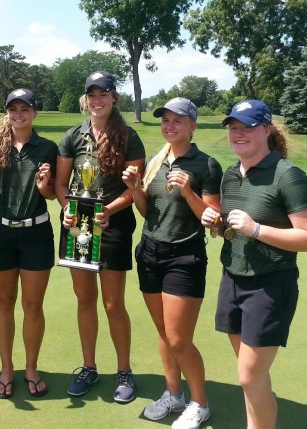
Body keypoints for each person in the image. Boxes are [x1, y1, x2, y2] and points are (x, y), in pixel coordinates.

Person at [200, 100, 307, 429]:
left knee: (249, 376)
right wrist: (214, 222)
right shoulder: (230, 175)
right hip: (232, 280)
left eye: (248, 127)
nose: (238, 134)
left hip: (270, 286)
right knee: (250, 378)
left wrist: (257, 229)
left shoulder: (288, 176)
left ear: (267, 130)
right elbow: (228, 230)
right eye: (233, 128)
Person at [122, 98, 222, 429]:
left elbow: (212, 220)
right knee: (164, 333)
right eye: (166, 120)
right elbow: (148, 212)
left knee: (179, 337)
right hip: (150, 252)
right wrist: (136, 189)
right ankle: (173, 393)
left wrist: (189, 191)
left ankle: (200, 403)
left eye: (178, 120)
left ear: (192, 125)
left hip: (185, 256)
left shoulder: (206, 165)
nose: (170, 126)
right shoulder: (156, 160)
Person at [55, 71, 146, 403]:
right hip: (79, 221)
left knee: (112, 303)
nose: (97, 100)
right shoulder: (73, 136)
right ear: (86, 99)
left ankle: (124, 371)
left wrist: (111, 209)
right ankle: (89, 367)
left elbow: (134, 186)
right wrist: (67, 208)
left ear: (113, 98)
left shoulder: (128, 136)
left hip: (114, 224)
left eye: (103, 94)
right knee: (84, 299)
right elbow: (61, 184)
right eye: (91, 95)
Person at [0, 88, 58, 399]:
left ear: (34, 113)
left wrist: (44, 186)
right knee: (3, 302)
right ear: (7, 112)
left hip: (35, 234)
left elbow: (52, 194)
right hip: (0, 233)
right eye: (14, 109)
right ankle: (6, 368)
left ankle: (31, 368)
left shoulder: (48, 147)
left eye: (25, 108)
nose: (19, 114)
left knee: (32, 305)